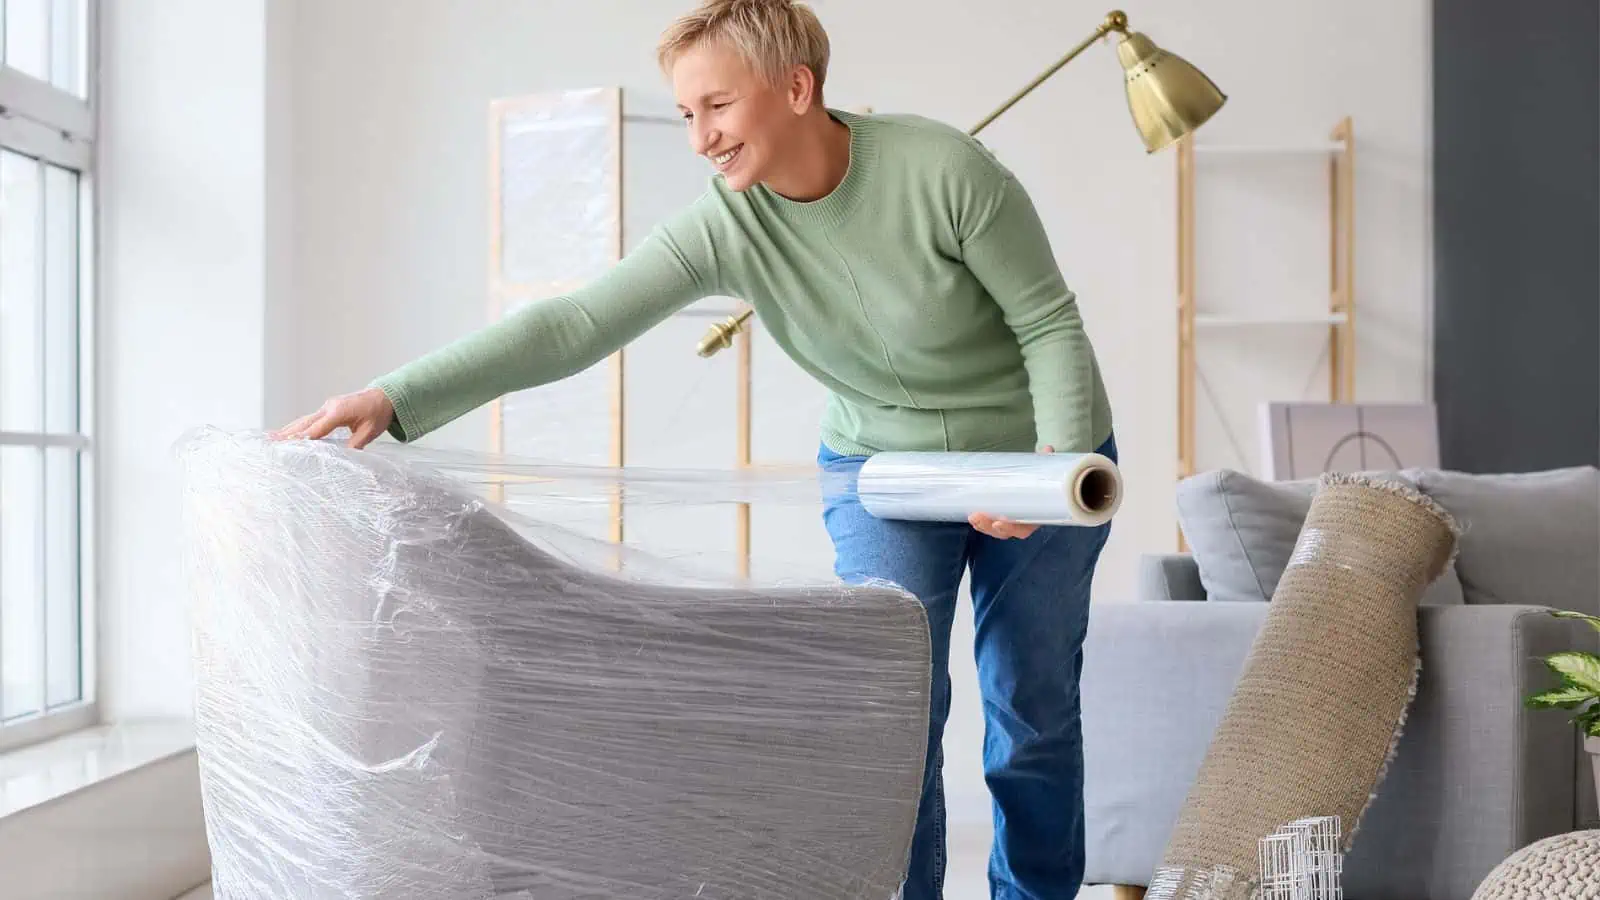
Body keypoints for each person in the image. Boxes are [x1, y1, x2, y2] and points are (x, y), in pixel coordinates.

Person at [275, 0, 1115, 896]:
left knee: (1030, 709)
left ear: (797, 88)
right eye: (685, 114)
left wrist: (1046, 474)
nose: (700, 138)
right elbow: (576, 323)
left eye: (716, 106)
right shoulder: (727, 224)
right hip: (885, 469)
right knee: (894, 714)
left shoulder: (944, 169)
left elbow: (1048, 323)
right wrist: (394, 396)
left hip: (1039, 454)